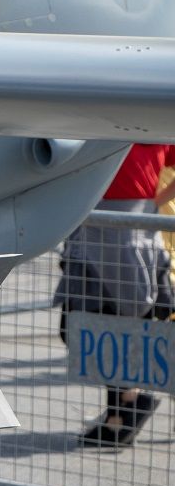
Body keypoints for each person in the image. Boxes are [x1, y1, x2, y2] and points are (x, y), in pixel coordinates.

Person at [55, 143, 175, 447]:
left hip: (129, 238)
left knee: (119, 327)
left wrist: (154, 203)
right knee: (86, 327)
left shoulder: (150, 129)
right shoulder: (101, 128)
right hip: (94, 232)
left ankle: (120, 415)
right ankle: (127, 404)